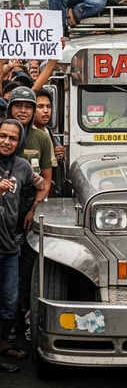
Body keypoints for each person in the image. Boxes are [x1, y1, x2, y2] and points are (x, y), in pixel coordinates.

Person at [0, 118, 46, 370]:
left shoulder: (22, 166)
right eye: (2, 136)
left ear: (20, 143)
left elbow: (40, 183)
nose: (6, 141)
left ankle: (2, 342)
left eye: (13, 138)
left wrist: (39, 187)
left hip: (8, 246)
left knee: (10, 303)